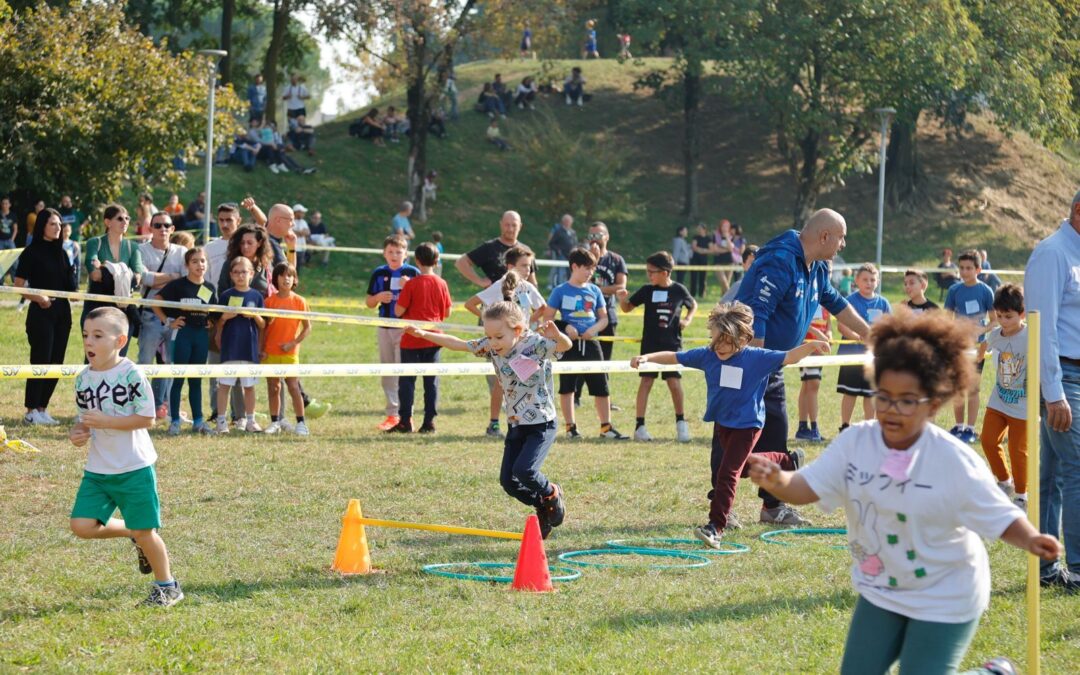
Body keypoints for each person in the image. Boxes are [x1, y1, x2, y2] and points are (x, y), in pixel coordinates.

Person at [746, 312, 1059, 673]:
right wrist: (779, 482)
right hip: (881, 588)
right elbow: (809, 487)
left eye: (907, 400)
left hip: (946, 593)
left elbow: (1000, 517)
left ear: (934, 403)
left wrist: (1033, 540)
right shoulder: (855, 443)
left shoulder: (952, 460)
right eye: (884, 397)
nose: (892, 410)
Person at [633, 302, 829, 546]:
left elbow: (789, 356)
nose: (720, 347)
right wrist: (647, 357)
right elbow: (675, 357)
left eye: (727, 342)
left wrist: (810, 345)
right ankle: (787, 460)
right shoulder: (707, 355)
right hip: (723, 424)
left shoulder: (756, 358)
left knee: (727, 474)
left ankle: (715, 527)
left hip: (747, 426)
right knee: (741, 467)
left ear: (743, 339)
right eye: (716, 340)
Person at [735, 208, 871, 525]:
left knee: (776, 431)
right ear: (824, 236)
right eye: (841, 237)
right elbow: (757, 315)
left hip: (772, 364)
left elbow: (836, 303)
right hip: (749, 361)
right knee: (738, 435)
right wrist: (757, 365)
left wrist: (869, 334)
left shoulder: (817, 267)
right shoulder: (780, 260)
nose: (843, 245)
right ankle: (721, 507)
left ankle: (772, 507)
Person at [406, 302, 572, 538]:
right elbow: (460, 344)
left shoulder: (534, 344)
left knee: (525, 470)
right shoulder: (492, 347)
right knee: (508, 482)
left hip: (541, 424)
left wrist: (558, 336)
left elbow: (566, 346)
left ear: (516, 330)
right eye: (488, 336)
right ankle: (542, 505)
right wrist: (424, 334)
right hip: (516, 423)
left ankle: (552, 492)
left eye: (498, 337)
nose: (493, 343)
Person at [69, 306, 184, 607]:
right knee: (81, 525)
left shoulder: (131, 373)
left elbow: (147, 419)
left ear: (120, 341)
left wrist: (105, 422)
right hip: (98, 468)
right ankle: (132, 531)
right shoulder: (82, 380)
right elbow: (84, 421)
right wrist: (78, 433)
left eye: (97, 336)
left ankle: (167, 586)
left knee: (148, 533)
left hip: (134, 466)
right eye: (85, 335)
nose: (89, 342)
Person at [1024, 192, 1080, 590]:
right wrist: (1053, 391)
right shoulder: (1052, 254)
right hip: (1063, 379)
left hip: (1072, 377)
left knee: (1055, 473)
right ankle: (1077, 568)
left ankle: (1046, 567)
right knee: (1075, 469)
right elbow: (1040, 330)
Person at [543, 246, 628, 440]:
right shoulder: (560, 291)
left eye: (593, 268)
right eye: (587, 268)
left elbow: (604, 318)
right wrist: (564, 327)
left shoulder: (595, 290)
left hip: (591, 344)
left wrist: (594, 329)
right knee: (568, 386)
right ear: (574, 266)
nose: (591, 273)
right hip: (568, 345)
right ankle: (571, 427)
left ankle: (606, 428)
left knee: (601, 385)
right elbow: (547, 319)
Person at [465, 245, 547, 437]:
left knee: (526, 382)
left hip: (524, 344)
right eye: (524, 266)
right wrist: (489, 321)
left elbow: (542, 307)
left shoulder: (528, 287)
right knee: (501, 384)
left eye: (530, 266)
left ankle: (523, 422)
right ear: (510, 266)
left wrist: (527, 323)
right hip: (503, 346)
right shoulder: (500, 285)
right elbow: (470, 304)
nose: (528, 270)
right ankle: (493, 424)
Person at [616, 251, 697, 443]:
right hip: (650, 344)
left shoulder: (678, 289)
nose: (649, 275)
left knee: (674, 384)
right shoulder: (647, 290)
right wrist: (621, 299)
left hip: (672, 344)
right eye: (648, 271)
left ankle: (681, 423)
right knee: (645, 382)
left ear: (666, 272)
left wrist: (687, 319)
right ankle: (640, 426)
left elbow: (692, 304)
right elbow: (628, 307)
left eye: (652, 271)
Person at [14, 208, 76, 425]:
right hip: (41, 312)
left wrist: (73, 272)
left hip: (63, 312)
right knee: (41, 358)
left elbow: (71, 288)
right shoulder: (31, 252)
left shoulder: (63, 253)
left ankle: (43, 408)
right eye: (53, 224)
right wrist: (38, 297)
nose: (58, 228)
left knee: (57, 361)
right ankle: (31, 410)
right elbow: (19, 286)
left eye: (59, 224)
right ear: (42, 226)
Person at [389, 243, 452, 433]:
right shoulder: (442, 283)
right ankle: (429, 421)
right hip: (434, 338)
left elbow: (398, 311)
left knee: (407, 382)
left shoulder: (412, 284)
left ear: (416, 260)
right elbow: (447, 312)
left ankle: (405, 420)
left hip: (411, 339)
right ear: (436, 260)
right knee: (431, 382)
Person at [976, 283, 1029, 508]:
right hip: (999, 400)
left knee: (1018, 451)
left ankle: (1021, 495)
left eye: (1008, 317)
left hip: (1023, 406)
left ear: (1022, 314)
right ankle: (1004, 481)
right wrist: (977, 356)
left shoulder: (1032, 336)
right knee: (988, 440)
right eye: (999, 316)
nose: (1003, 322)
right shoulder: (997, 334)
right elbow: (983, 346)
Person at [154, 247, 216, 435]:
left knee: (196, 380)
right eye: (195, 261)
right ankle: (175, 421)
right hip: (182, 335)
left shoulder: (209, 288)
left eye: (203, 261)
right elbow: (156, 300)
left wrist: (211, 321)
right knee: (179, 378)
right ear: (187, 265)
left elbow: (215, 311)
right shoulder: (178, 285)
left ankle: (198, 421)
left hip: (201, 337)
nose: (200, 265)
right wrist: (168, 321)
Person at [366, 234, 421, 431]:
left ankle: (406, 414)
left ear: (406, 254)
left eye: (399, 251)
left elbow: (421, 301)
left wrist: (409, 288)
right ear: (384, 254)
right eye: (390, 252)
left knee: (403, 372)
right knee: (387, 370)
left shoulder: (413, 273)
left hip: (405, 328)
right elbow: (368, 302)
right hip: (384, 327)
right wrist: (378, 297)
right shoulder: (379, 273)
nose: (394, 255)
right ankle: (392, 414)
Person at [136, 212, 187, 419]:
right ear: (150, 228)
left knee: (171, 364)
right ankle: (141, 406)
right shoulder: (141, 250)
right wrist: (173, 278)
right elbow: (145, 279)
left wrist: (161, 280)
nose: (162, 229)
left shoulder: (182, 251)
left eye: (166, 225)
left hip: (175, 316)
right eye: (157, 225)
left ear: (172, 229)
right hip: (149, 315)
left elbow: (186, 280)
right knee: (145, 362)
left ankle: (164, 407)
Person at [944, 250, 996, 443]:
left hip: (977, 349)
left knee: (972, 389)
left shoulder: (985, 291)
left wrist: (980, 330)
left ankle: (971, 429)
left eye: (969, 268)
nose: (964, 272)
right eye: (962, 268)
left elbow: (995, 320)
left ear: (978, 269)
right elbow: (946, 319)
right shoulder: (954, 291)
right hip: (958, 348)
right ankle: (958, 427)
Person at [83, 204, 144, 356]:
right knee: (94, 356)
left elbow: (137, 277)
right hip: (97, 307)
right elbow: (94, 275)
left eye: (127, 218)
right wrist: (123, 270)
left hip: (122, 309)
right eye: (120, 219)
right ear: (108, 222)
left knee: (119, 357)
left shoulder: (133, 247)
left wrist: (105, 266)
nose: (125, 222)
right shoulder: (94, 243)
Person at [837, 264, 892, 432]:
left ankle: (870, 427)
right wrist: (858, 337)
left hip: (874, 357)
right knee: (850, 392)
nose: (869, 283)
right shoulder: (850, 301)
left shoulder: (883, 303)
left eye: (873, 280)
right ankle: (845, 426)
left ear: (878, 281)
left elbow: (889, 326)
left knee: (871, 394)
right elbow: (841, 325)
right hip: (852, 355)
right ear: (856, 281)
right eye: (865, 280)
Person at [579, 222, 627, 408]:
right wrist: (594, 259)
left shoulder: (616, 260)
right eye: (591, 236)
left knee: (604, 359)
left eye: (598, 235)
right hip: (583, 315)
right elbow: (578, 281)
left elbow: (620, 286)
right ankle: (576, 396)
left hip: (607, 313)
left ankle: (606, 399)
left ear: (607, 236)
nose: (595, 239)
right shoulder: (584, 258)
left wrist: (597, 290)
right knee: (581, 356)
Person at [215, 257, 265, 434]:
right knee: (224, 385)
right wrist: (224, 318)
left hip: (249, 349)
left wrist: (255, 316)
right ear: (231, 275)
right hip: (230, 348)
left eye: (244, 272)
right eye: (236, 272)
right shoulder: (226, 296)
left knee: (249, 386)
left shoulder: (257, 296)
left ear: (251, 274)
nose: (240, 275)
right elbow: (218, 323)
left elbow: (263, 324)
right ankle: (221, 421)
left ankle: (251, 420)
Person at [261, 263, 312, 436]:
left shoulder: (300, 302)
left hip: (290, 353)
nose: (286, 278)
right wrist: (262, 349)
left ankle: (301, 423)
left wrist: (293, 343)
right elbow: (263, 329)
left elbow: (307, 328)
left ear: (295, 279)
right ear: (276, 279)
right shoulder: (269, 302)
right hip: (270, 352)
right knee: (274, 387)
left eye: (290, 275)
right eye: (282, 275)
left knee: (293, 386)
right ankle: (275, 421)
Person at [795, 304, 831, 442]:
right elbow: (801, 322)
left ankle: (802, 428)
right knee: (813, 384)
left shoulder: (825, 304)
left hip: (819, 351)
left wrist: (828, 334)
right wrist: (818, 336)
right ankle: (814, 427)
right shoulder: (808, 300)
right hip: (806, 348)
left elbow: (828, 327)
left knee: (807, 386)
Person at [217, 224, 275, 298]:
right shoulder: (230, 264)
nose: (245, 246)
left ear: (259, 243)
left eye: (249, 243)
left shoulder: (266, 266)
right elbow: (222, 292)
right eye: (242, 243)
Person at [547, 214, 577, 290]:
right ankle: (559, 287)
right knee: (561, 272)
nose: (568, 222)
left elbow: (575, 243)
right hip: (561, 255)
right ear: (563, 221)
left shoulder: (573, 232)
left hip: (571, 256)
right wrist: (558, 250)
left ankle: (569, 286)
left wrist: (575, 248)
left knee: (570, 272)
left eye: (569, 221)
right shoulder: (558, 231)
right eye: (566, 221)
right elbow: (552, 243)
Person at [690, 223, 712, 298]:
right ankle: (692, 294)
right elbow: (694, 247)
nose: (699, 230)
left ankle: (701, 294)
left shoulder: (708, 238)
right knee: (694, 277)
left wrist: (702, 250)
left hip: (703, 260)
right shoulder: (696, 237)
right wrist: (701, 250)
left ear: (704, 230)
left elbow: (711, 249)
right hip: (694, 260)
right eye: (698, 229)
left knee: (703, 278)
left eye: (700, 229)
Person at [712, 219, 734, 293]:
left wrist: (727, 237)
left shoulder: (731, 236)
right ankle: (730, 298)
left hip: (729, 261)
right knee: (723, 282)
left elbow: (731, 249)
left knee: (726, 283)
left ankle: (723, 302)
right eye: (723, 226)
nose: (725, 228)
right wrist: (726, 249)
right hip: (718, 261)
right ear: (720, 227)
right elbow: (715, 249)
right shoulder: (716, 235)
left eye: (727, 226)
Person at [0, 196, 19, 283]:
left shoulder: (13, 215)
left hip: (10, 240)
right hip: (0, 241)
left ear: (10, 205)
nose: (5, 205)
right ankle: (1, 282)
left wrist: (12, 239)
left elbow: (15, 229)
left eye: (6, 203)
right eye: (3, 203)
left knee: (14, 260)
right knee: (1, 261)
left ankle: (15, 280)